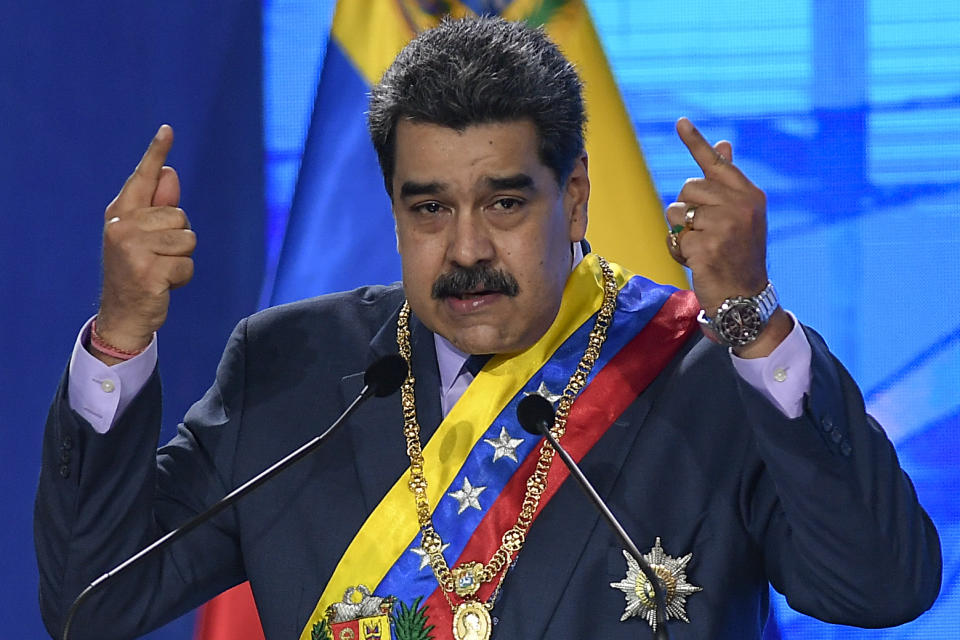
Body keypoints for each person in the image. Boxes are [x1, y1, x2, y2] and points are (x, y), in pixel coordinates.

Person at [35, 16, 940, 640]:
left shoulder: (702, 373)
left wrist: (749, 319)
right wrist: (120, 333)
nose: (466, 249)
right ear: (391, 209)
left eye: (505, 201)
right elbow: (92, 601)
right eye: (428, 209)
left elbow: (880, 587)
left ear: (575, 196)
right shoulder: (288, 370)